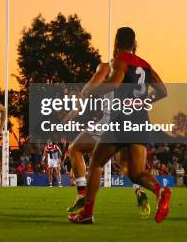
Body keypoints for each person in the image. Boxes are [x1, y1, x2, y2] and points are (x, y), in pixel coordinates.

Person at [69, 27, 170, 224]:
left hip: (122, 118)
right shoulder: (146, 65)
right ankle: (160, 191)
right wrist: (143, 101)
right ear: (135, 44)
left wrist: (90, 92)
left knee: (96, 164)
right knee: (136, 172)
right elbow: (163, 91)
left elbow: (115, 84)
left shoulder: (120, 61)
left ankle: (87, 213)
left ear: (116, 42)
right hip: (141, 119)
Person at [64, 63, 150, 218]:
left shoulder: (107, 69)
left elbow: (87, 92)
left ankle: (82, 195)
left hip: (109, 123)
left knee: (75, 149)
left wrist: (73, 110)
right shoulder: (135, 73)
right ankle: (139, 190)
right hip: (128, 122)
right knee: (124, 164)